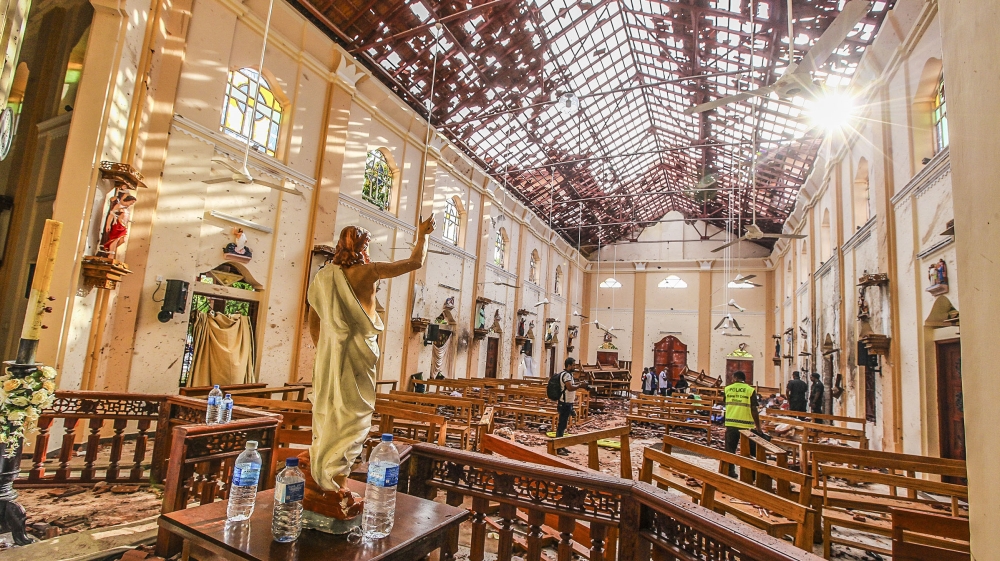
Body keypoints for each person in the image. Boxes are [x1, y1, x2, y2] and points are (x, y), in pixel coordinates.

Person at [307, 215, 435, 492]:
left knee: (331, 409)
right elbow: (415, 263)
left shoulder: (323, 277)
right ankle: (335, 482)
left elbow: (313, 320)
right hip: (360, 350)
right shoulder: (369, 271)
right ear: (363, 246)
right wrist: (423, 235)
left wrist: (327, 351)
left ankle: (326, 476)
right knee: (355, 413)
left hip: (333, 353)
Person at [723, 371, 761, 477]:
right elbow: (754, 409)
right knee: (750, 451)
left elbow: (726, 404)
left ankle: (730, 472)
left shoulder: (727, 389)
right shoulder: (750, 390)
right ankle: (751, 475)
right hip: (746, 425)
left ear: (735, 378)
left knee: (730, 449)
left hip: (731, 423)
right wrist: (758, 427)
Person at [555, 357, 590, 455]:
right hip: (564, 403)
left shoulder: (568, 374)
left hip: (568, 403)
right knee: (561, 426)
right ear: (569, 365)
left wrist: (579, 384)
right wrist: (580, 386)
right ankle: (558, 447)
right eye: (573, 365)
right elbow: (570, 388)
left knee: (563, 425)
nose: (575, 367)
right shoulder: (566, 375)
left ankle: (561, 445)